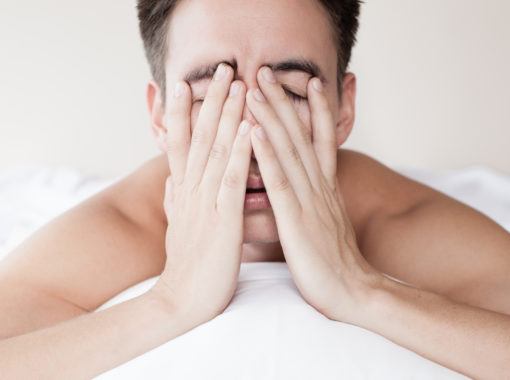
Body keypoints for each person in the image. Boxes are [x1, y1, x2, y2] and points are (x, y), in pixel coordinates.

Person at [1, 0, 509, 378]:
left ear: (342, 109)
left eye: (287, 93)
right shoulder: (125, 226)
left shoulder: (393, 216)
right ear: (160, 117)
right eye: (210, 97)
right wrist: (171, 302)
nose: (250, 132)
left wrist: (361, 289)